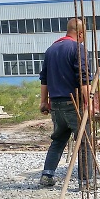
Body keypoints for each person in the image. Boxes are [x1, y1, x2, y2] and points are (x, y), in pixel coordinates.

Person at [38, 18, 92, 187]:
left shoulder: (51, 49)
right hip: (73, 104)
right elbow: (84, 80)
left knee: (58, 140)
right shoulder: (78, 48)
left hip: (55, 104)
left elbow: (44, 79)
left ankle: (47, 175)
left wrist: (43, 102)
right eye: (84, 35)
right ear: (80, 33)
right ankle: (86, 182)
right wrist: (90, 104)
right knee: (84, 142)